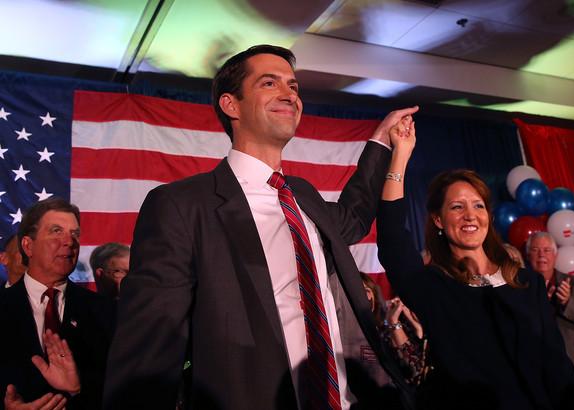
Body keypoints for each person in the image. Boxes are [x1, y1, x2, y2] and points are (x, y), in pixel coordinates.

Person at [103, 44, 419, 410]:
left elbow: (355, 214)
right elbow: (150, 348)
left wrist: (380, 140)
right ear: (230, 105)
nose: (289, 94)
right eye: (269, 83)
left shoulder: (304, 196)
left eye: (293, 86)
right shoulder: (181, 205)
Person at [376, 116, 574, 410]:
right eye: (457, 207)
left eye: (478, 205)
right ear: (438, 220)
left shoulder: (526, 283)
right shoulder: (434, 288)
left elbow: (557, 367)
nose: (470, 215)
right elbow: (393, 237)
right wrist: (400, 155)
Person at [0, 198, 115, 410]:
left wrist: (78, 388)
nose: (69, 241)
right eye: (56, 231)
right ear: (28, 245)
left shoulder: (106, 311)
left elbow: (126, 386)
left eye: (75, 234)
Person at [527, 231, 574, 409]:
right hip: (535, 379)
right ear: (528, 255)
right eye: (535, 249)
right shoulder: (519, 288)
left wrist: (568, 304)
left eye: (547, 250)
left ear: (555, 255)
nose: (541, 255)